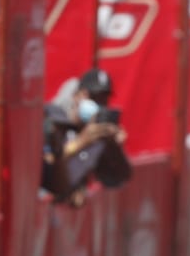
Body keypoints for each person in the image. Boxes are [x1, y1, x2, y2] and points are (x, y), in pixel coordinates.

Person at [41, 68, 131, 206]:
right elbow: (46, 167)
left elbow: (116, 179)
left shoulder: (97, 137)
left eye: (103, 99)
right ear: (76, 95)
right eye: (93, 97)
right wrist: (81, 141)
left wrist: (114, 147)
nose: (98, 104)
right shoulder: (52, 120)